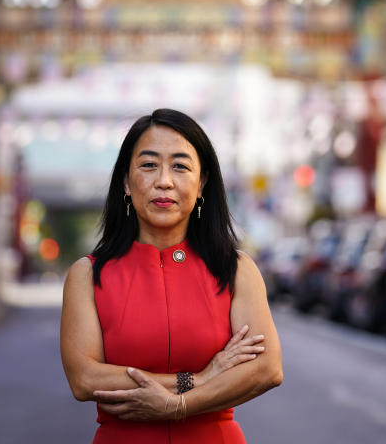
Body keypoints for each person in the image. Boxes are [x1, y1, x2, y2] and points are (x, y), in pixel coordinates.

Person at [60, 109, 283, 443]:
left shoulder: (235, 270)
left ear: (202, 181)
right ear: (125, 179)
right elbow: (85, 379)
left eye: (180, 166)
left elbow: (267, 369)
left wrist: (177, 407)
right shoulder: (88, 275)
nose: (164, 180)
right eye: (149, 165)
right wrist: (198, 378)